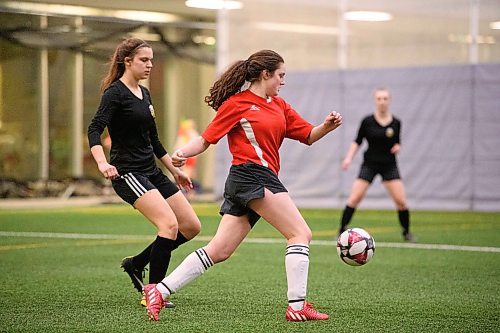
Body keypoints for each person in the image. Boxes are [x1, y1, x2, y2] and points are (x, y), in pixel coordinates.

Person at [141, 49, 343, 322]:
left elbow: (308, 135)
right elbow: (205, 139)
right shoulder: (238, 104)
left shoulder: (280, 105)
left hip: (252, 179)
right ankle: (297, 307)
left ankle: (159, 291)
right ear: (265, 74)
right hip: (251, 176)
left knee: (219, 250)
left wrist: (327, 126)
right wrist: (182, 153)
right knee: (300, 233)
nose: (283, 81)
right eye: (280, 75)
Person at [87, 38, 201, 308]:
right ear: (127, 61)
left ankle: (137, 264)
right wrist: (103, 163)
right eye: (144, 60)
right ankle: (155, 292)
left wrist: (175, 172)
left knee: (191, 226)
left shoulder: (145, 94)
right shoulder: (114, 93)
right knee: (169, 225)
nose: (150, 65)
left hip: (152, 171)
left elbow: (154, 140)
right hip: (128, 174)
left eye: (151, 60)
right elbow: (94, 129)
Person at [338, 88, 414, 242]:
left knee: (401, 201)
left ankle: (406, 232)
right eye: (379, 98)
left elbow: (397, 142)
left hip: (389, 165)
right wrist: (348, 158)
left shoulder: (396, 123)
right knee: (354, 198)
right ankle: (341, 230)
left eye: (385, 98)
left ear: (389, 100)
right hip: (370, 164)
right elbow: (357, 141)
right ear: (375, 101)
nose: (382, 102)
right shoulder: (367, 121)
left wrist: (398, 146)